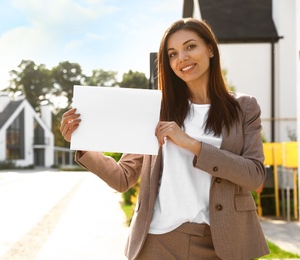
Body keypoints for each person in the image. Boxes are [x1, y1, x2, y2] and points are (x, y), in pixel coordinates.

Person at [60, 18, 269, 260]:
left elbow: (254, 176)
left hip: (224, 243)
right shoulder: (156, 109)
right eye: (172, 54)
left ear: (210, 49)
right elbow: (122, 178)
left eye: (190, 46)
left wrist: (193, 145)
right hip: (158, 242)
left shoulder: (244, 107)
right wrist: (85, 146)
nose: (181, 58)